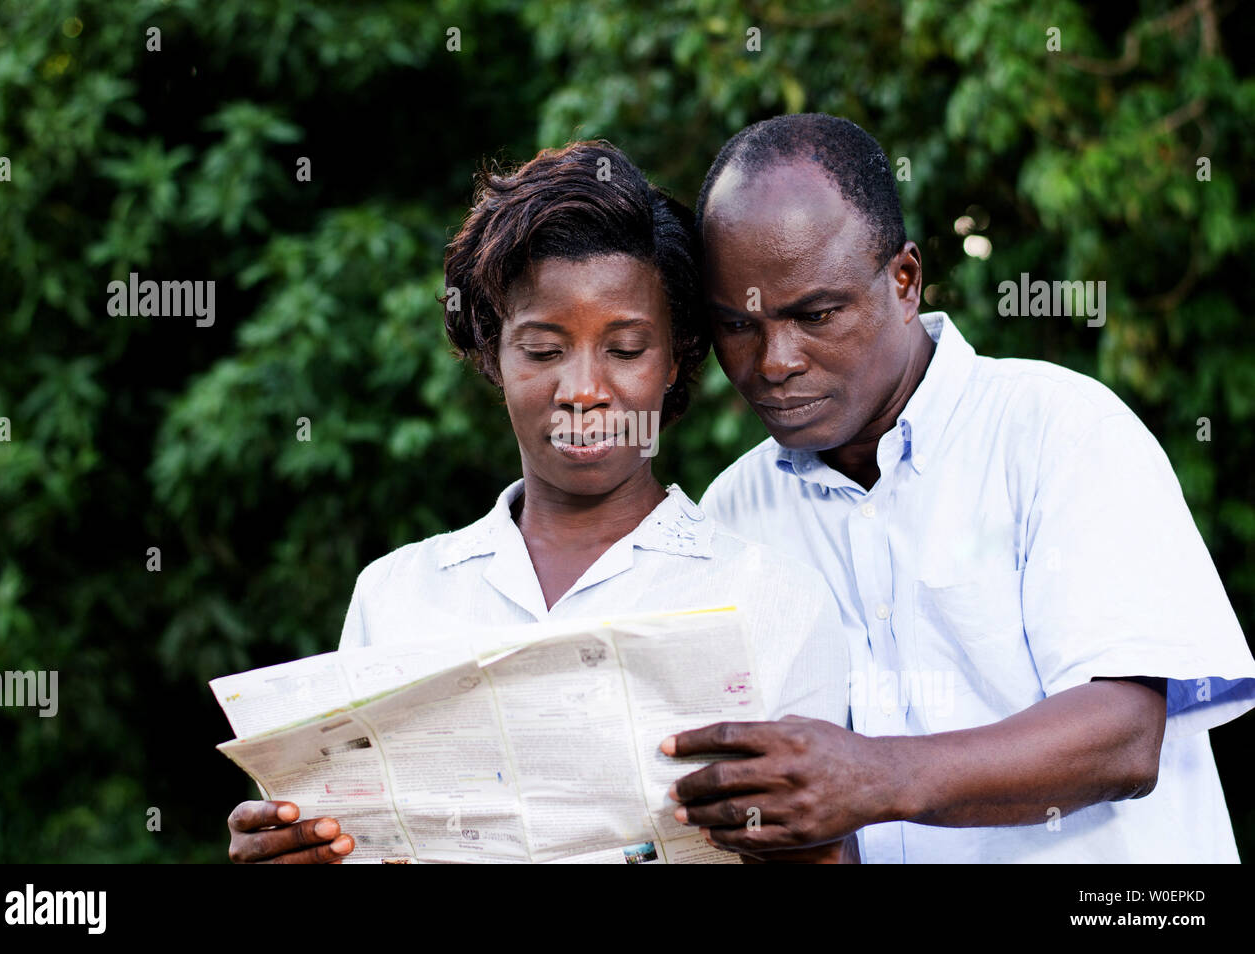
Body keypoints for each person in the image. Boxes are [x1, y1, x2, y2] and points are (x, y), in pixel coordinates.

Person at [226, 140, 853, 864]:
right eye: (544, 349)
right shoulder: (396, 596)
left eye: (624, 349)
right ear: (494, 352)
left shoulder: (773, 599)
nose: (582, 390)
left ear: (675, 357)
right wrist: (292, 850)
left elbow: (823, 852)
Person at [664, 112, 1255, 862]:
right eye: (736, 326)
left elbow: (1126, 738)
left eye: (815, 315)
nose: (774, 361)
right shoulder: (732, 516)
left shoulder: (1059, 431)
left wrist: (874, 775)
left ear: (904, 280)